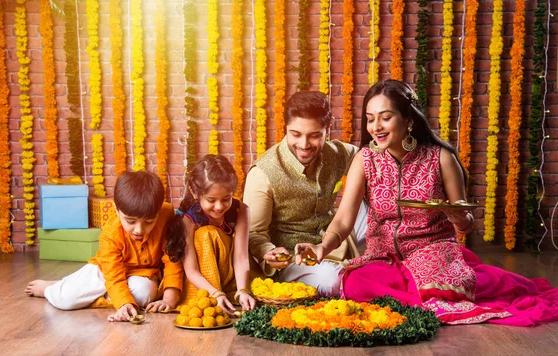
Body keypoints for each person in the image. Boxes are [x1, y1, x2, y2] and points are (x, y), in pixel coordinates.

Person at [296, 79, 558, 325]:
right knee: (356, 284)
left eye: (385, 118)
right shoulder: (365, 160)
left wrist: (456, 216)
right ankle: (422, 299)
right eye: (370, 119)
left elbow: (465, 225)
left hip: (433, 251)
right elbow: (343, 220)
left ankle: (437, 292)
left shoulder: (440, 158)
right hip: (382, 256)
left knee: (439, 286)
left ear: (408, 119)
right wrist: (322, 247)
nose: (376, 127)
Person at [243, 90, 368, 297]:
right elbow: (254, 234)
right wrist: (268, 251)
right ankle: (358, 274)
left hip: (334, 243)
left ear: (328, 129)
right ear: (286, 128)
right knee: (332, 281)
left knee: (372, 182)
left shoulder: (337, 154)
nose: (303, 145)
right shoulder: (263, 172)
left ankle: (396, 255)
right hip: (295, 260)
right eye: (295, 134)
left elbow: (368, 157)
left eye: (314, 135)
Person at [25, 171, 185, 322]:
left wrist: (169, 299)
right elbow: (113, 275)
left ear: (157, 212)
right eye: (130, 221)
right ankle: (52, 288)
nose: (139, 230)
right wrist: (123, 303)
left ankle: (89, 290)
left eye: (149, 222)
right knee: (65, 300)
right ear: (116, 209)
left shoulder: (166, 214)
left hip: (142, 275)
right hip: (106, 270)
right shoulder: (111, 232)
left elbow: (172, 257)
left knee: (144, 294)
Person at [176, 155, 256, 314]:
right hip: (201, 282)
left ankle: (231, 295)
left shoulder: (241, 211)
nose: (219, 207)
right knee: (206, 233)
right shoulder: (187, 219)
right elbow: (191, 270)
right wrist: (214, 294)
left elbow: (241, 257)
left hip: (231, 274)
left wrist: (242, 291)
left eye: (226, 198)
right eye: (211, 200)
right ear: (194, 191)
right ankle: (218, 299)